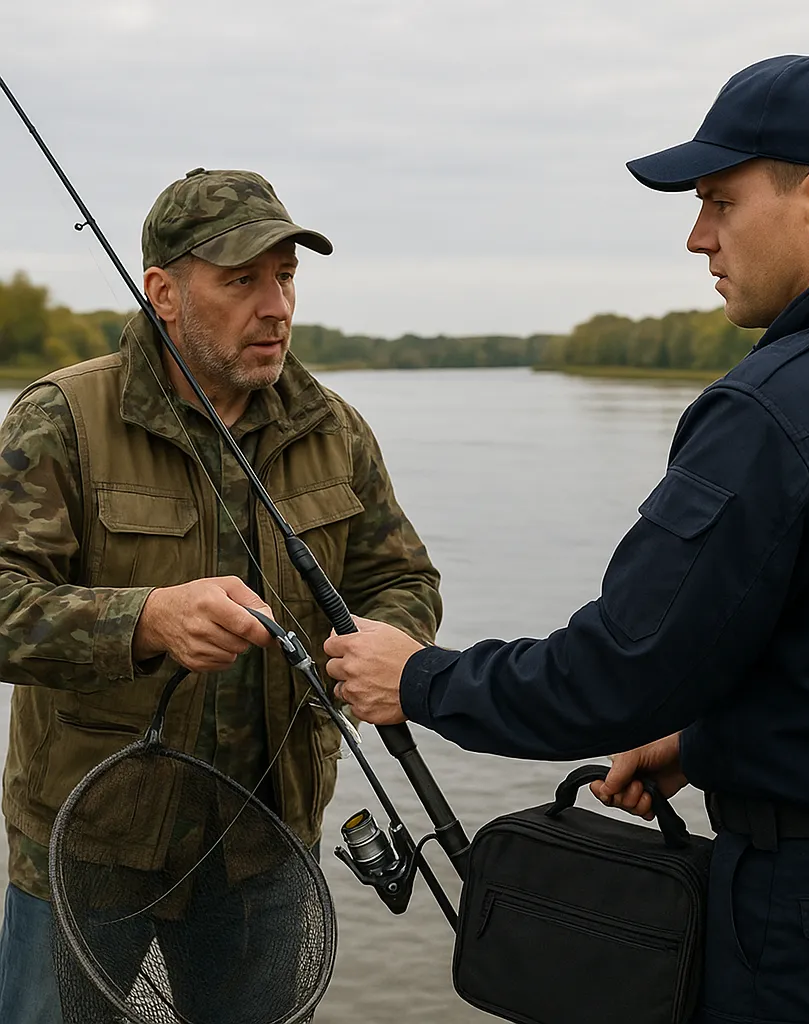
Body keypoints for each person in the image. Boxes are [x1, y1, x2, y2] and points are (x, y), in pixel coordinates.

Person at [325, 54, 809, 1022]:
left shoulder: (774, 410)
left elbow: (616, 669)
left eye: (718, 201)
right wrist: (703, 740)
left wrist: (416, 679)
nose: (698, 238)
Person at [0, 167, 442, 1023]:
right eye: (242, 280)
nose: (275, 305)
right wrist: (145, 620)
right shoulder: (61, 418)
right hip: (86, 847)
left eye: (285, 277)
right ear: (162, 292)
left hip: (266, 847)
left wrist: (382, 644)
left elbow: (400, 578)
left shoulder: (335, 429)